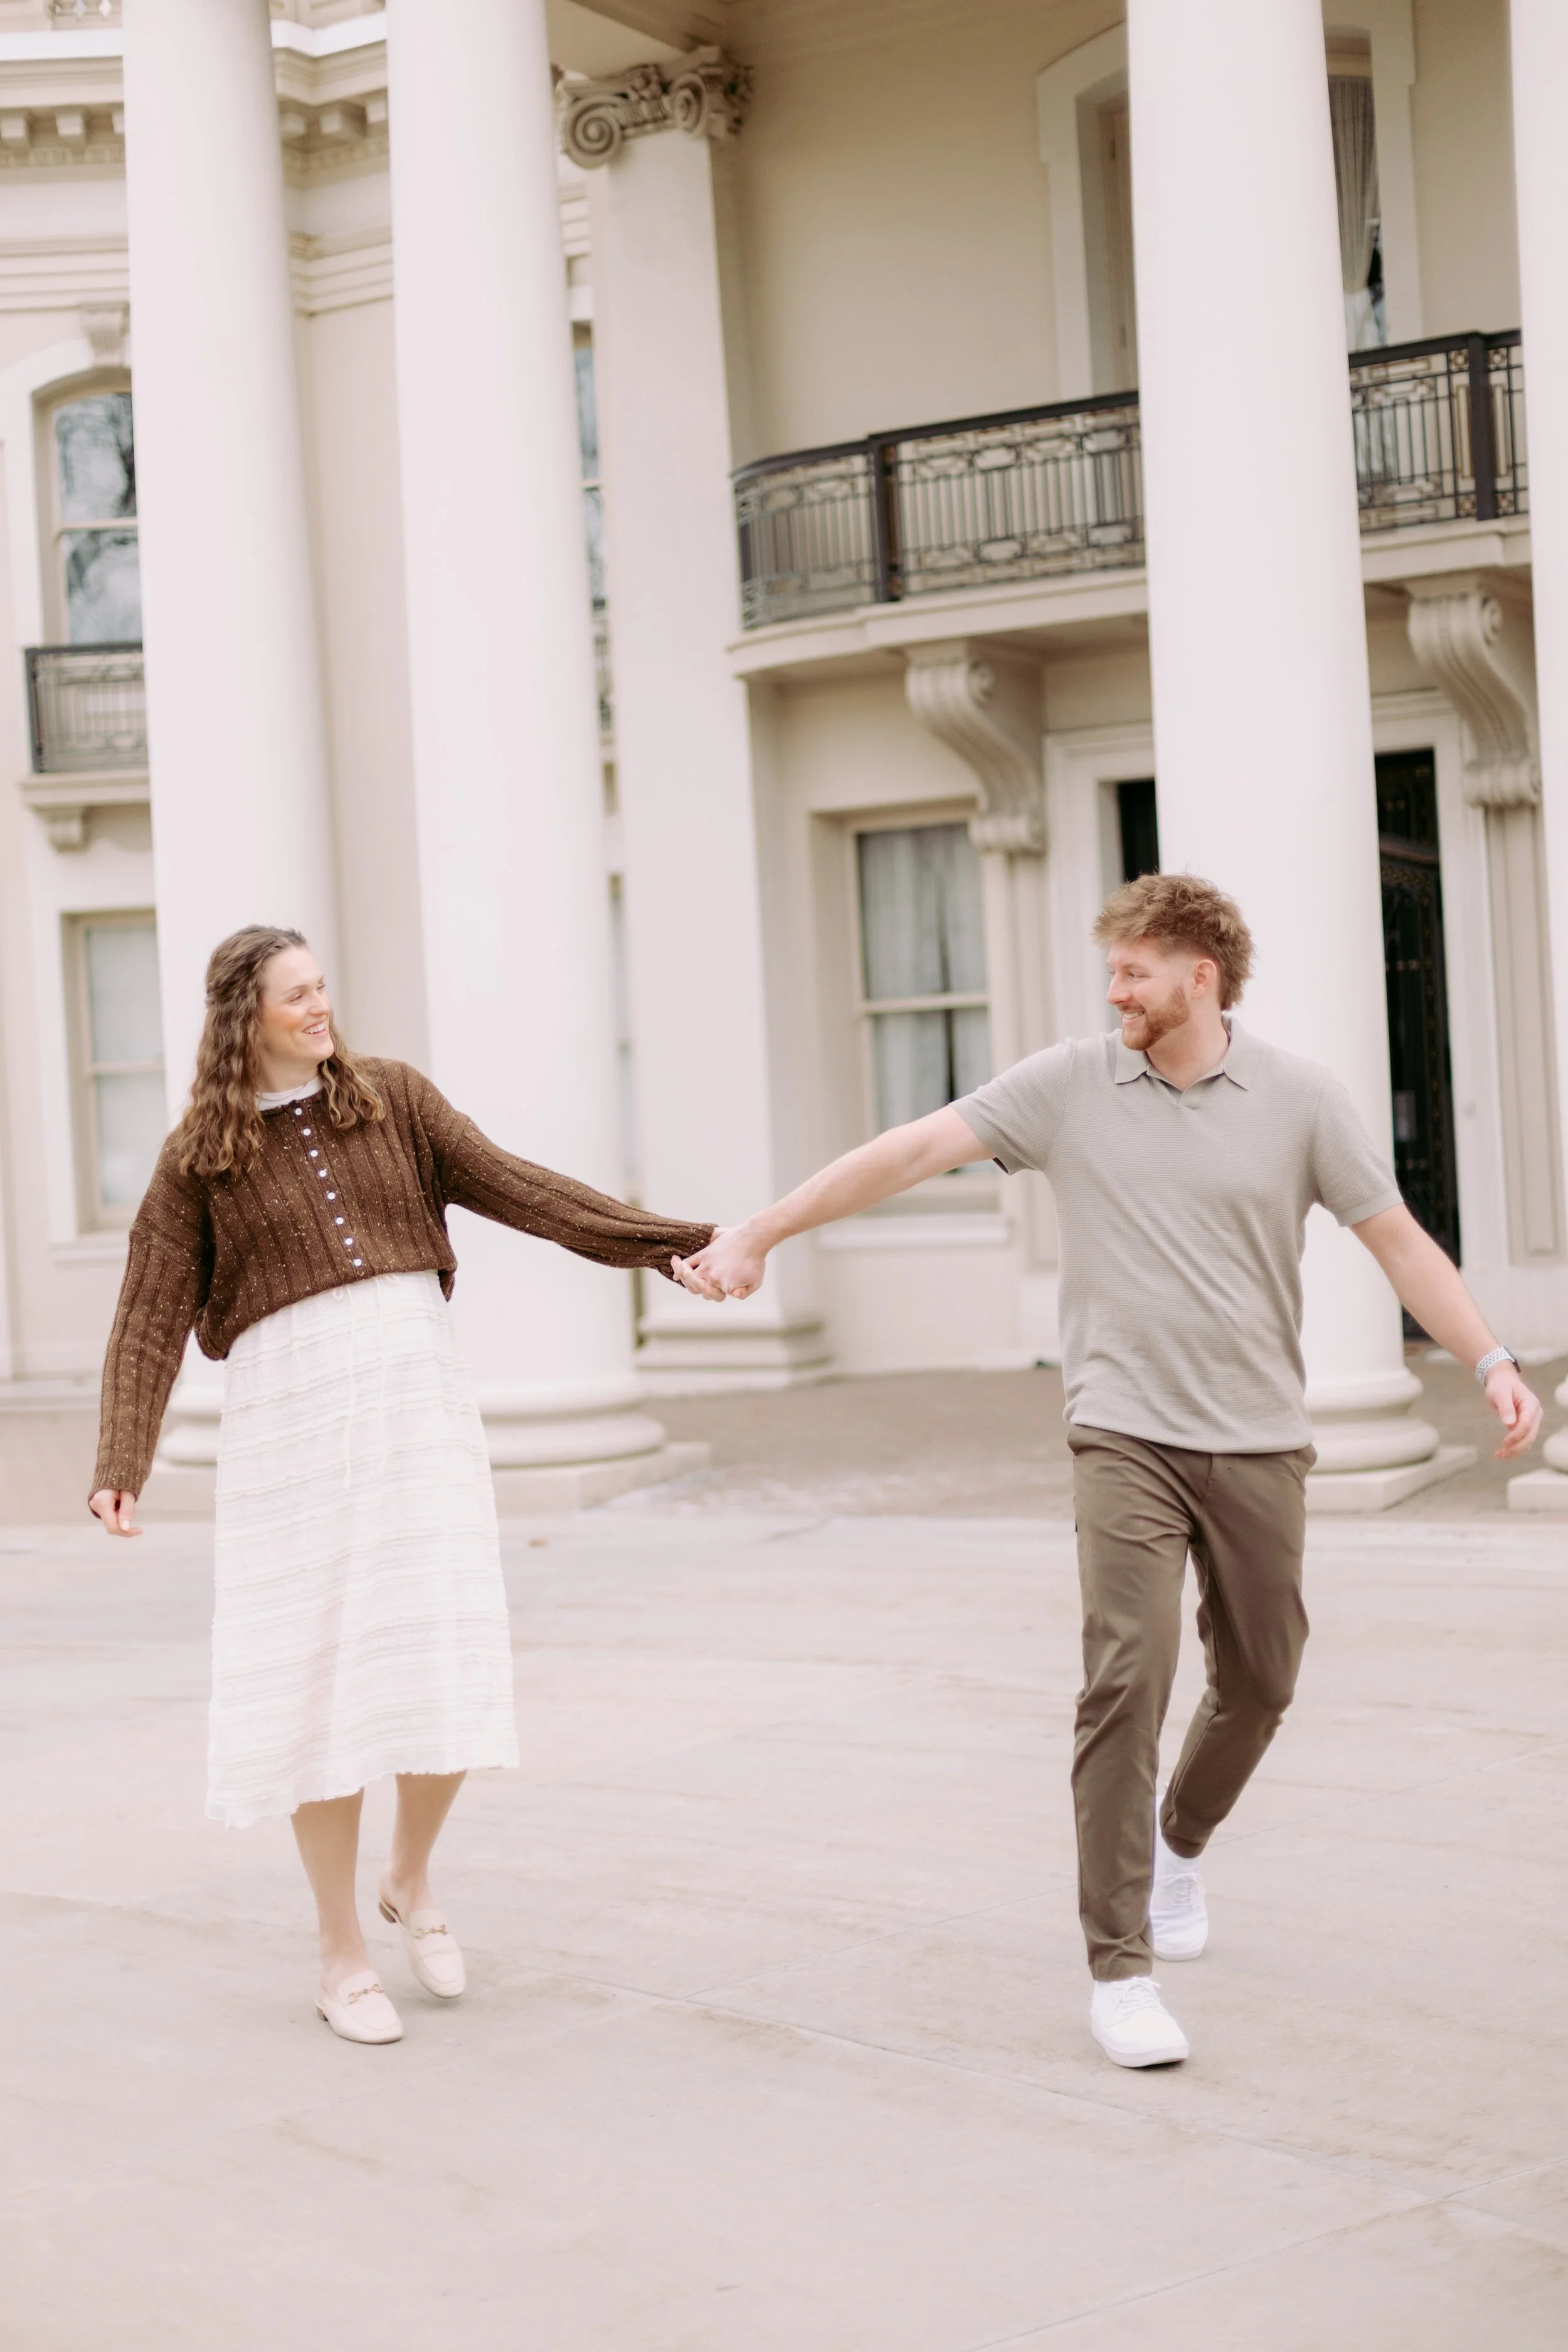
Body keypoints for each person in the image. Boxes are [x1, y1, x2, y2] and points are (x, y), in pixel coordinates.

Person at [673, 872, 1542, 2069]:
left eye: (1135, 970)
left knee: (1265, 1679)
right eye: (1114, 970)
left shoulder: (1300, 1099)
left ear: (1203, 974)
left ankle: (1181, 1844)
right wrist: (764, 1229)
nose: (1116, 990)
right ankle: (1119, 1965)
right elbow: (914, 1148)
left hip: (1256, 1436)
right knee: (1127, 1677)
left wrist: (1489, 1355)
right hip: (1123, 1429)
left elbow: (1396, 1240)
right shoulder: (1070, 1083)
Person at [91, 925, 712, 2045]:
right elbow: (148, 1308)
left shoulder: (391, 1100)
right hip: (291, 1435)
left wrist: (667, 1243)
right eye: (297, 994)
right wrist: (119, 1463)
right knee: (318, 1687)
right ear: (246, 1015)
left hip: (416, 1415)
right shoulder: (201, 1155)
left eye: (323, 985)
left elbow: (522, 1188)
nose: (321, 1006)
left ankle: (410, 1875)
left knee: (445, 1653)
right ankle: (342, 1954)